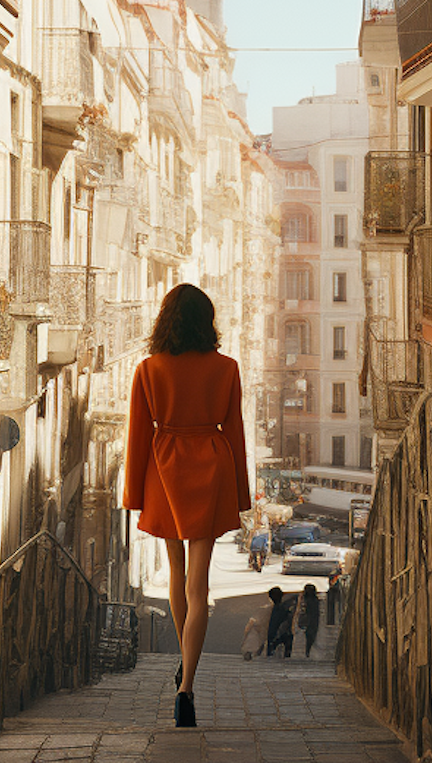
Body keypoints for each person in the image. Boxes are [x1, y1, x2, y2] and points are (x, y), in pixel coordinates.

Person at [124, 284, 251, 729]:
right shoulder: (227, 368)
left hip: (164, 471)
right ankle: (187, 687)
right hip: (212, 467)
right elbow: (234, 431)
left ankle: (184, 663)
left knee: (176, 578)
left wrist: (133, 496)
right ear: (207, 321)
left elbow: (138, 436)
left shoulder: (148, 369)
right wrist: (240, 492)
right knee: (200, 588)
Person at [265, 585, 296, 658]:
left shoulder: (280, 608)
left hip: (280, 633)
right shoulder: (283, 606)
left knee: (273, 651)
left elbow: (276, 623)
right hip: (283, 632)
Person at [300, 583, 321, 657]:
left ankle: (307, 651)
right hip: (313, 620)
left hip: (309, 620)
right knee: (311, 635)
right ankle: (308, 651)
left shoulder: (305, 599)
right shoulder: (315, 600)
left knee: (309, 635)